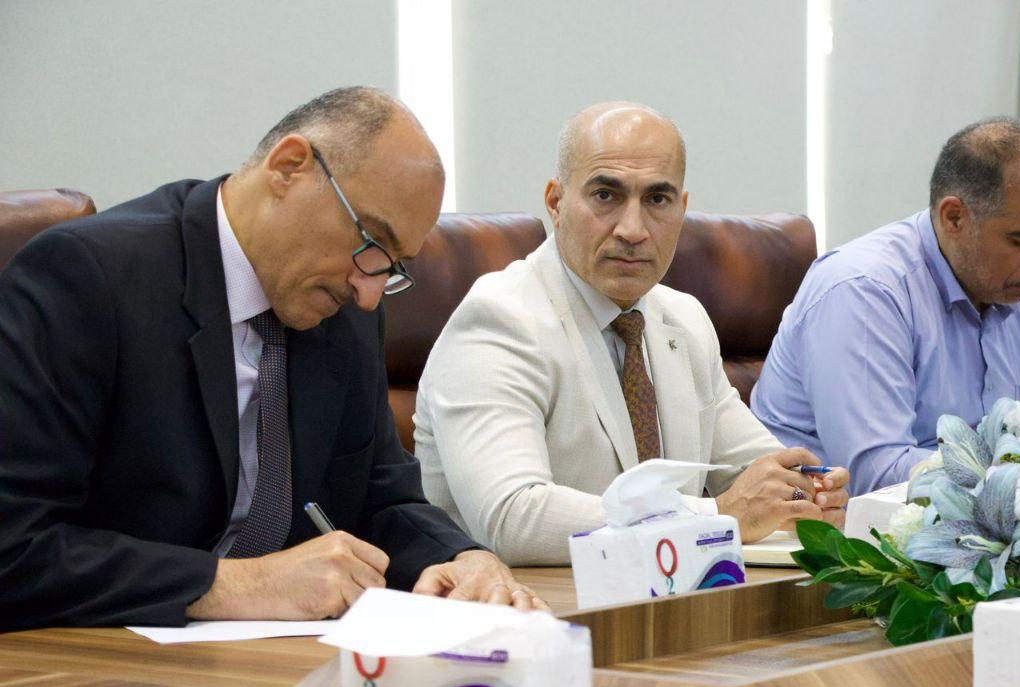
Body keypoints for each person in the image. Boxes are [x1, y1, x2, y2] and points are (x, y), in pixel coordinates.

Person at [0, 87, 545, 631]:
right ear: (288, 168)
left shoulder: (345, 307)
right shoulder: (87, 277)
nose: (369, 293)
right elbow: (15, 545)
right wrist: (238, 583)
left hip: (280, 652)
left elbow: (381, 497)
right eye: (371, 242)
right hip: (101, 658)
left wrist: (461, 559)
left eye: (393, 265)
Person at [414, 101, 850, 565]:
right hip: (527, 600)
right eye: (606, 195)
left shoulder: (683, 319)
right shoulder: (500, 318)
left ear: (682, 209)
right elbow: (513, 518)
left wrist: (808, 492)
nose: (633, 229)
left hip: (667, 593)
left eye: (657, 200)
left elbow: (753, 472)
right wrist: (717, 515)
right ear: (556, 202)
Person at [751, 117, 1020, 496]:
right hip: (818, 522)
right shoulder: (865, 291)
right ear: (954, 217)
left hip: (980, 519)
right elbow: (876, 476)